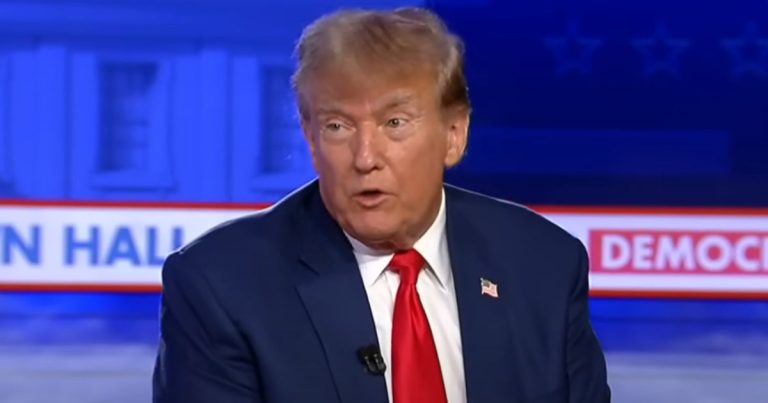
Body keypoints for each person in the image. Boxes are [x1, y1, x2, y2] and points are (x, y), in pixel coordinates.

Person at [152, 7, 610, 403]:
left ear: (454, 134)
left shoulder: (544, 263)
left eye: (395, 122)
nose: (365, 157)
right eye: (337, 126)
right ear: (311, 138)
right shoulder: (221, 286)